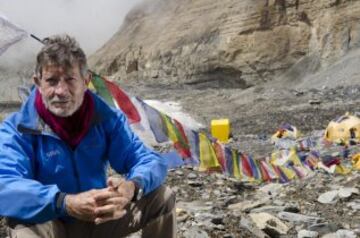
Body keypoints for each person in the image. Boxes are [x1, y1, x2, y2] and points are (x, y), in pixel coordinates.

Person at [0, 34, 176, 238]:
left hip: (99, 217)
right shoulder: (18, 128)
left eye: (70, 79)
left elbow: (149, 159)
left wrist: (132, 186)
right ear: (38, 82)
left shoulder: (106, 118)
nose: (61, 91)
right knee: (22, 224)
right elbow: (5, 184)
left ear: (86, 81)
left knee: (161, 198)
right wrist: (63, 202)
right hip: (51, 222)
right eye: (52, 80)